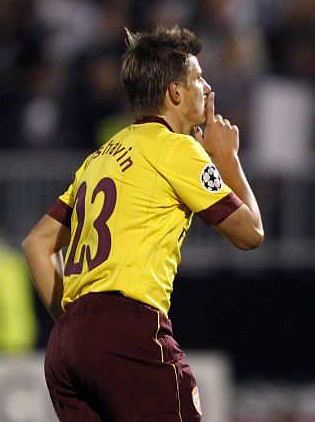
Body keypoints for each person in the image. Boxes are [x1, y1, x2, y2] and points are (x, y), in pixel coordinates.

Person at [22, 25, 264, 421]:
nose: (206, 87)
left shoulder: (99, 157)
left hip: (66, 345)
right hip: (128, 330)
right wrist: (229, 161)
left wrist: (74, 323)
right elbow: (250, 233)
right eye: (198, 78)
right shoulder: (176, 147)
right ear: (175, 93)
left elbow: (37, 243)